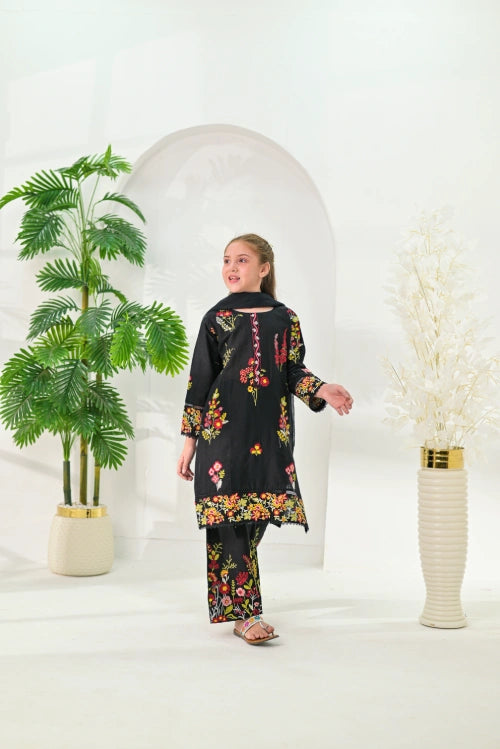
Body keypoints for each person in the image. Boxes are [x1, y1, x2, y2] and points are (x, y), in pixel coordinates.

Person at [177, 233, 353, 645]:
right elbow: (199, 381)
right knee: (231, 520)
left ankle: (236, 605)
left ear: (264, 268)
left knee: (252, 518)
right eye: (226, 260)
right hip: (221, 435)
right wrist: (189, 443)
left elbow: (292, 371)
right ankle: (247, 615)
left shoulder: (284, 318)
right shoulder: (215, 318)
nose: (231, 267)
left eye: (241, 259)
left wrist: (322, 388)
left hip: (270, 437)